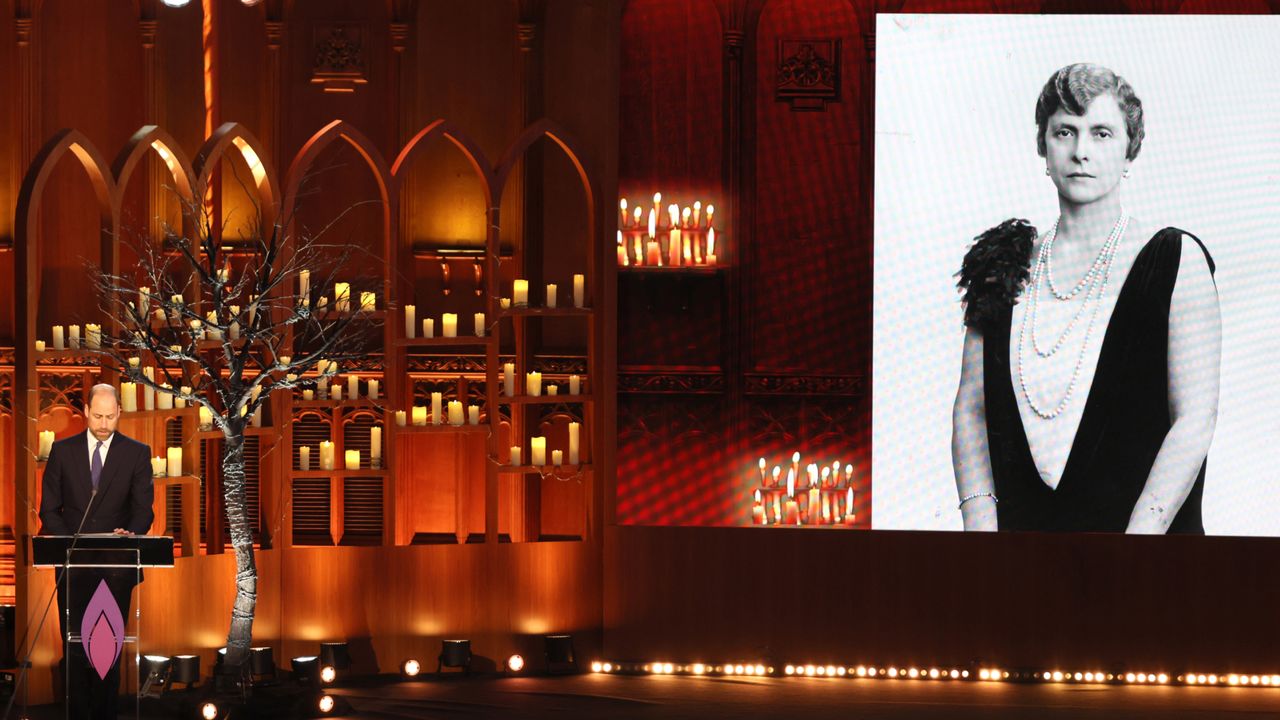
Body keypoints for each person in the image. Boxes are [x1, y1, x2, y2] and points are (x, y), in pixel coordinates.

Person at [951, 63, 1221, 533]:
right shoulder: (1002, 262)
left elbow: (1195, 417)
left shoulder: (1176, 258)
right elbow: (971, 408)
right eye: (1064, 132)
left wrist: (1139, 540)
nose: (1080, 152)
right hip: (1021, 554)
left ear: (1129, 151)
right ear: (1043, 146)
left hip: (1143, 554)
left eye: (1101, 134)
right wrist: (978, 524)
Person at [39, 383, 155, 719]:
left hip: (116, 566)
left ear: (119, 412)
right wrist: (69, 544)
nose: (104, 423)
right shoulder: (63, 451)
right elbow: (49, 510)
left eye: (110, 416)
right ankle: (77, 712)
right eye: (98, 415)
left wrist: (131, 532)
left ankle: (105, 714)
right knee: (75, 647)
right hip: (73, 566)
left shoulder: (136, 453)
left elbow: (143, 509)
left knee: (107, 650)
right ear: (86, 412)